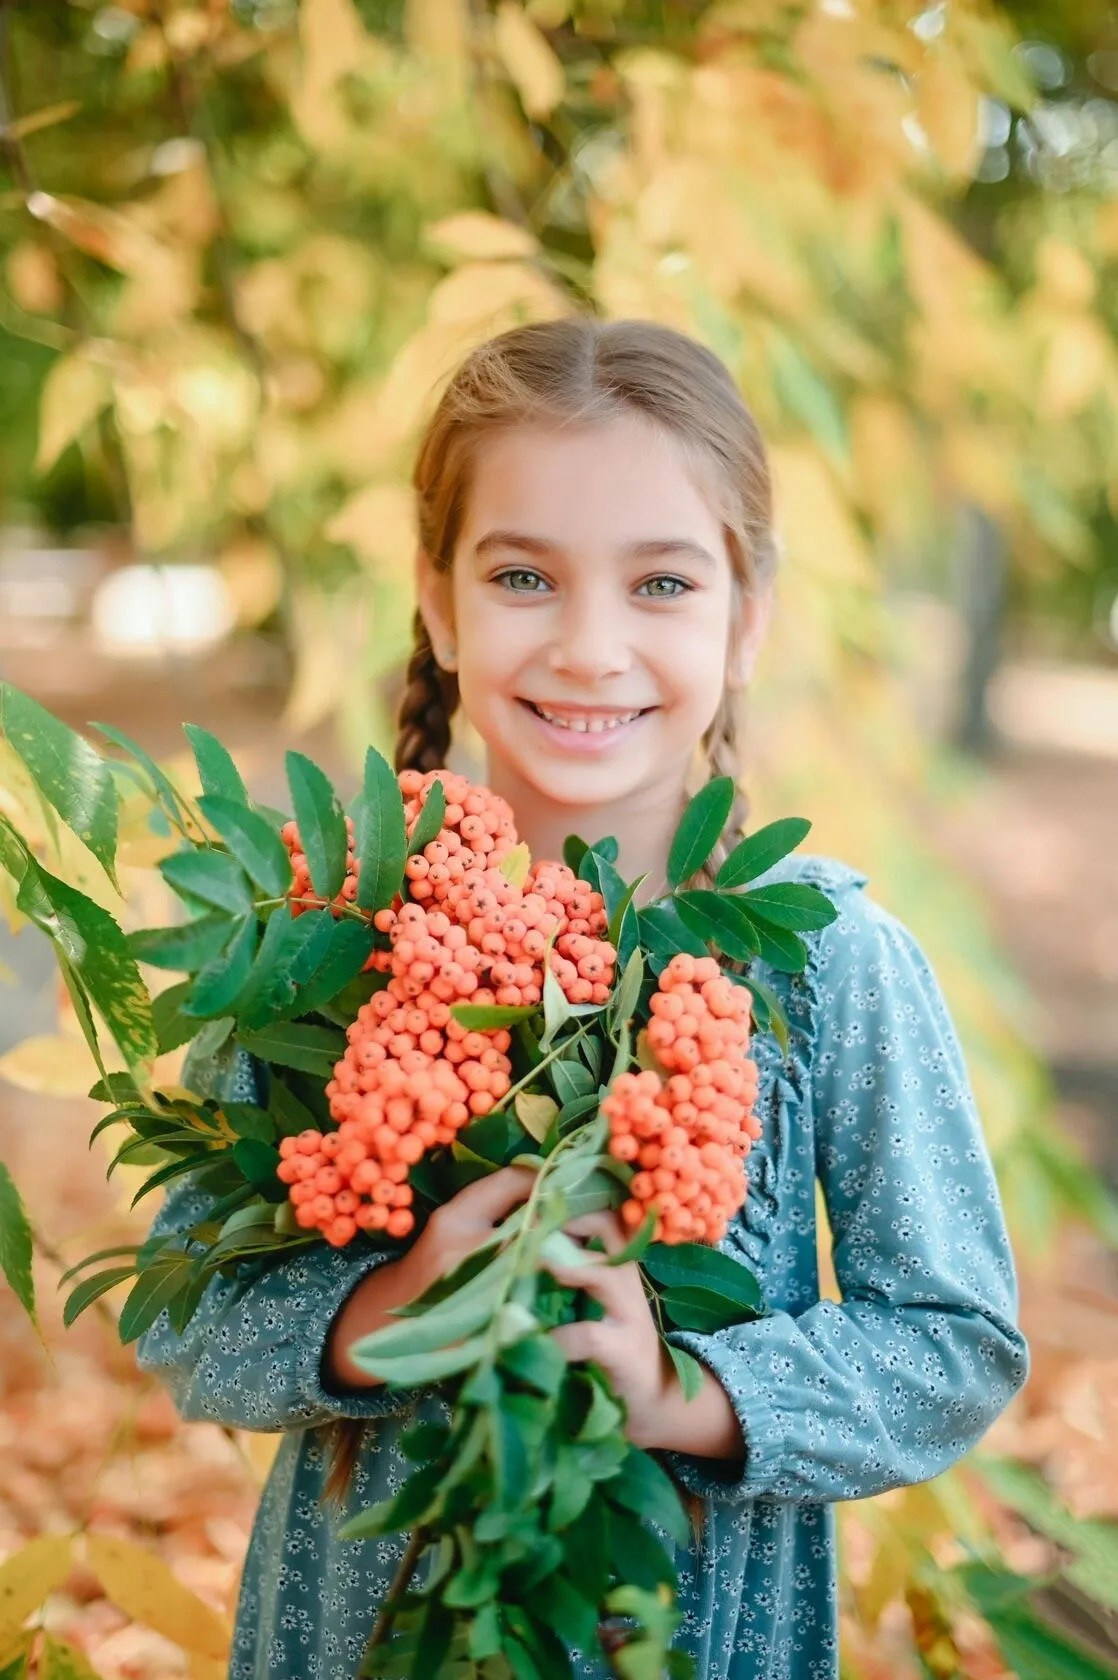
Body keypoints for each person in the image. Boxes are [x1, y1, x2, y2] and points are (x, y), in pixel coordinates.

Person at [137, 316, 1029, 1680]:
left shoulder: (825, 962)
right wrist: (387, 1310)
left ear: (748, 619)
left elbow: (953, 1343)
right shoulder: (326, 933)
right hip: (353, 1634)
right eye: (522, 577)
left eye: (661, 583)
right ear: (440, 605)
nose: (590, 647)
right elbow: (178, 1309)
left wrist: (684, 1394)